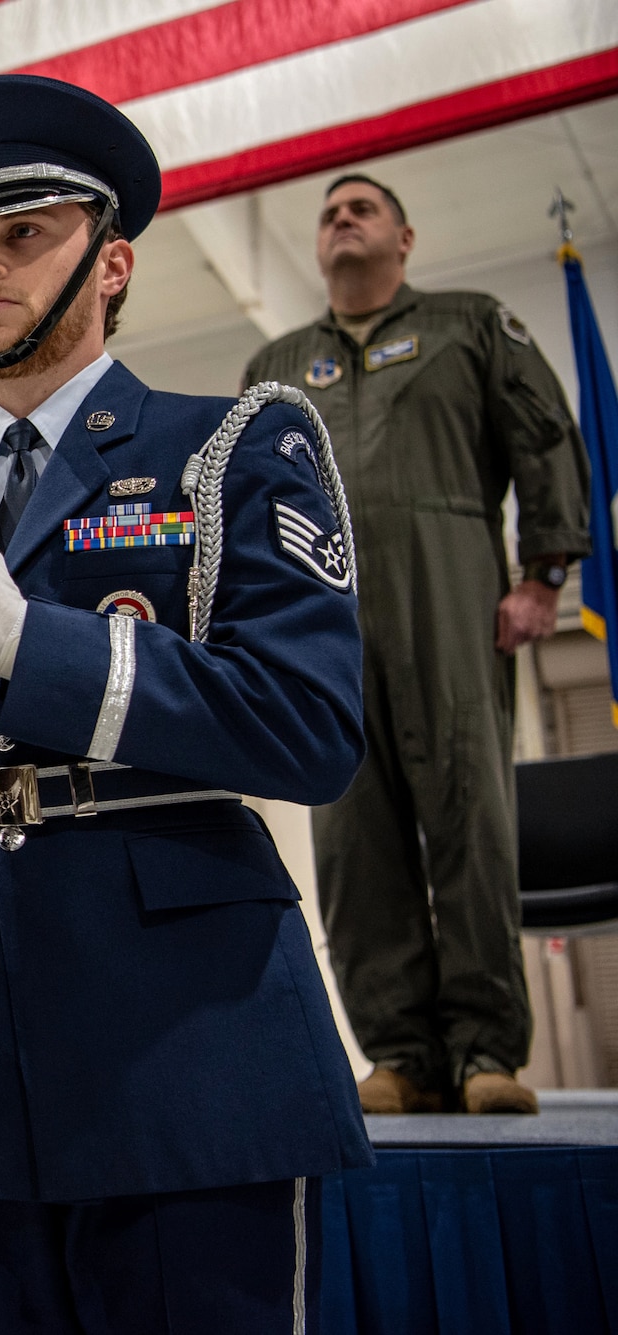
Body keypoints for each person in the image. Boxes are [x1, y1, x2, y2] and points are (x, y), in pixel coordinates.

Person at [0, 75, 373, 1330]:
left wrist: (29, 646)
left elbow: (308, 726)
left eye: (23, 233)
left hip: (183, 1050)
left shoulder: (228, 448)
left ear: (109, 262)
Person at [245, 176, 593, 1117]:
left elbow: (547, 439)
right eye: (327, 213)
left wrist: (543, 576)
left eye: (362, 208)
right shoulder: (277, 365)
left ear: (404, 235)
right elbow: (239, 506)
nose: (341, 220)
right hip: (321, 630)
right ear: (318, 249)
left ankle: (486, 1051)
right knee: (353, 841)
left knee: (470, 823)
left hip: (450, 598)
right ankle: (399, 1052)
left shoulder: (470, 325)